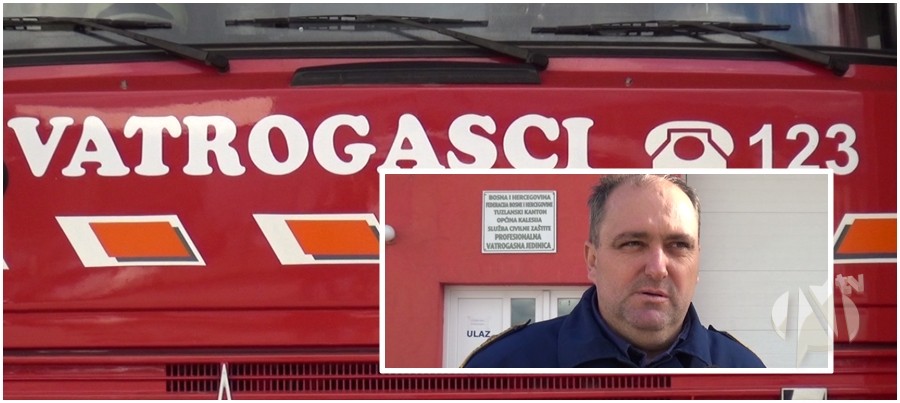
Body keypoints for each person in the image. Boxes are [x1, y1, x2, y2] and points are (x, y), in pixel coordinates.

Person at [463, 174, 765, 368]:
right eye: (633, 244)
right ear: (592, 260)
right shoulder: (502, 369)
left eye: (678, 245)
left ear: (697, 263)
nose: (657, 269)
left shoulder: (746, 374)